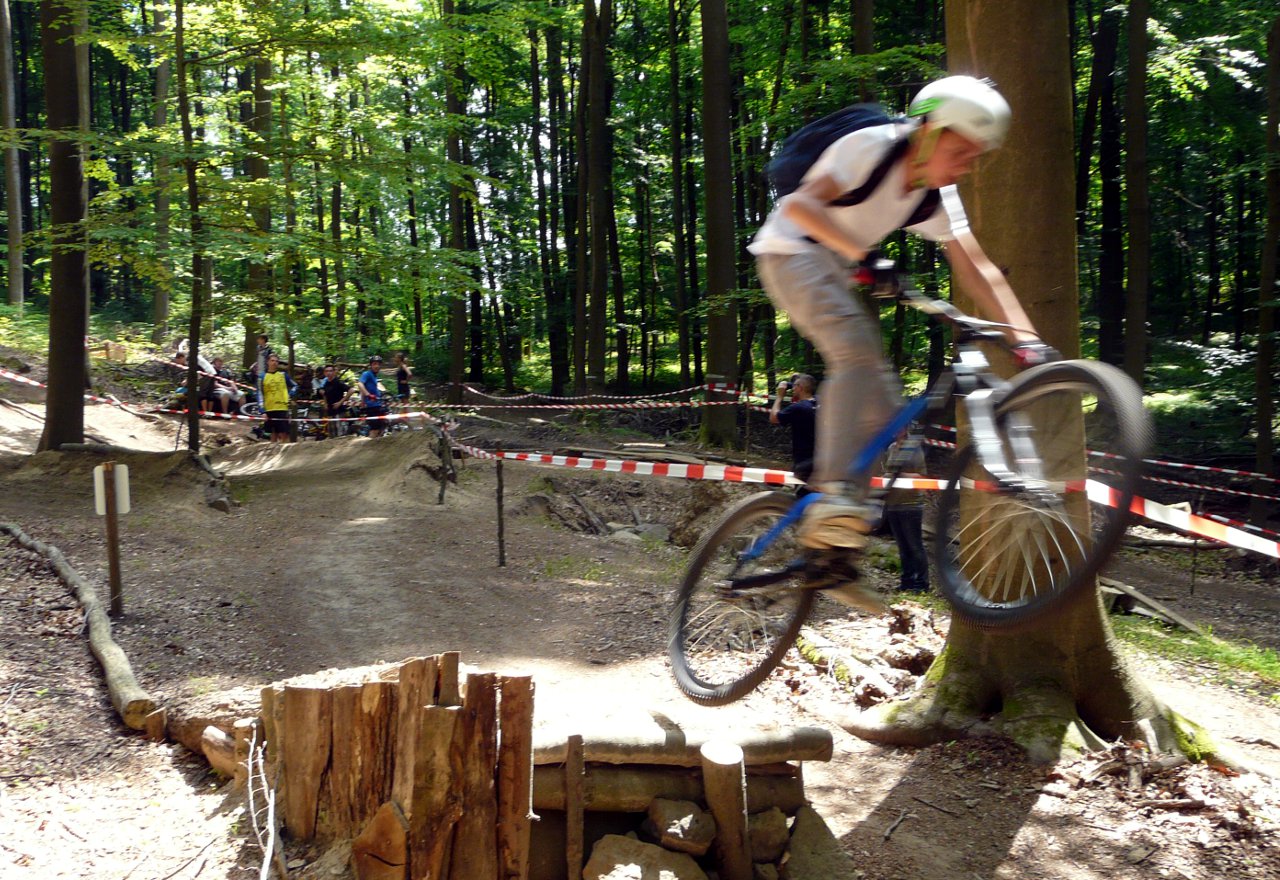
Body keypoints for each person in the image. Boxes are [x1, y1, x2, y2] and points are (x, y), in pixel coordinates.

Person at [749, 75, 1054, 611]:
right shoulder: (873, 146)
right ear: (929, 132)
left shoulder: (936, 197)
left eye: (975, 156)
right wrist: (863, 256)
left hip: (835, 268)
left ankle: (832, 557)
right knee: (856, 354)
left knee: (886, 416)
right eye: (960, 150)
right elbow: (799, 207)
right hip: (790, 254)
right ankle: (834, 495)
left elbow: (978, 267)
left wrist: (1027, 338)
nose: (966, 164)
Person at [769, 373, 818, 491]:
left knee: (803, 495)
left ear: (800, 388)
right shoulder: (820, 401)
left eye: (795, 386)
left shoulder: (799, 408)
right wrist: (794, 382)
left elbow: (774, 418)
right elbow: (807, 383)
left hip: (804, 461)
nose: (793, 389)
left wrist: (780, 396)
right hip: (823, 459)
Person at [259, 353, 296, 443]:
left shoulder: (283, 375)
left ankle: (285, 453)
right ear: (268, 362)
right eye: (272, 360)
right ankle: (273, 454)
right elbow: (259, 394)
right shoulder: (262, 376)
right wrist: (262, 411)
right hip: (269, 409)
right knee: (273, 434)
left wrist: (290, 395)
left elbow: (295, 385)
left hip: (282, 408)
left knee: (284, 433)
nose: (274, 363)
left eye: (276, 361)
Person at [318, 364, 351, 438]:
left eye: (330, 371)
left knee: (340, 435)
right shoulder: (326, 384)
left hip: (339, 411)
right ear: (324, 373)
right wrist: (325, 403)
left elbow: (351, 390)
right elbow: (324, 394)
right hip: (330, 412)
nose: (329, 373)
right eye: (327, 371)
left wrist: (340, 402)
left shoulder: (338, 382)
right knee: (331, 435)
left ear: (334, 372)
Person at [359, 355, 387, 438]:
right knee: (374, 429)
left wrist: (363, 401)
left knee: (383, 424)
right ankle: (369, 447)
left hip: (377, 405)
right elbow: (360, 384)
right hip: (372, 406)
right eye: (374, 364)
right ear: (371, 365)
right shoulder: (367, 374)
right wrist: (368, 395)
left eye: (378, 364)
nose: (377, 366)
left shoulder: (374, 376)